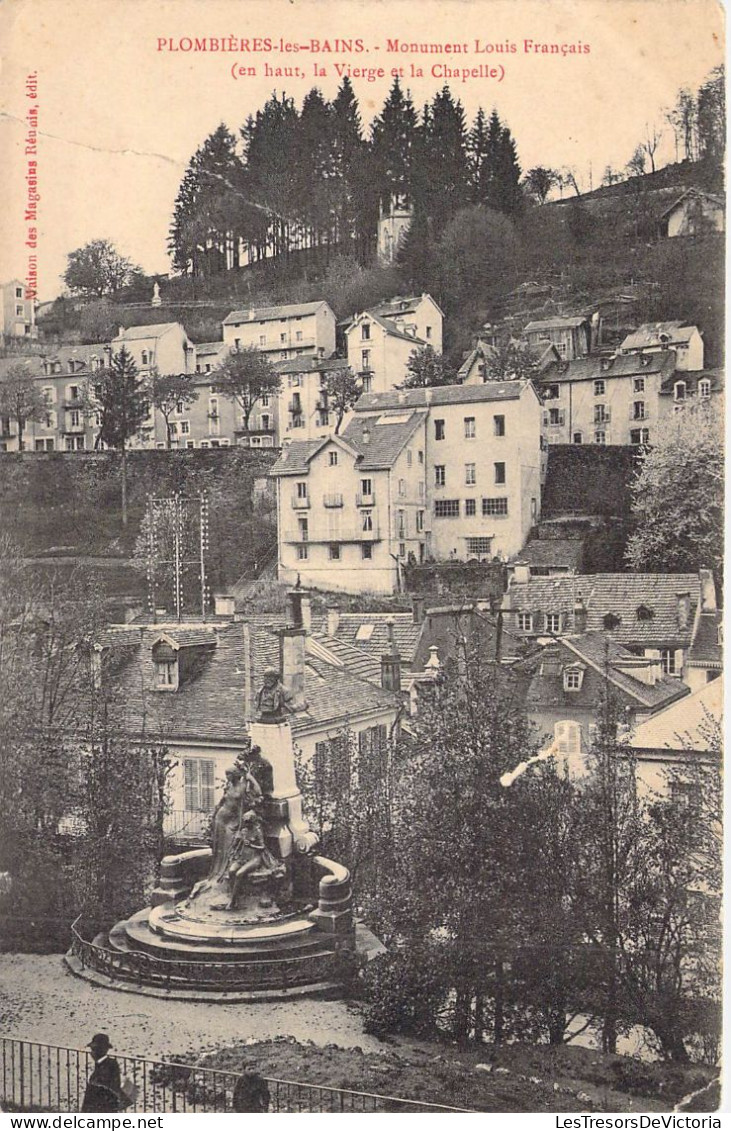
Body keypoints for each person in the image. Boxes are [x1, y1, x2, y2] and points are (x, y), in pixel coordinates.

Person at [81, 1034, 123, 1113]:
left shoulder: (107, 1066)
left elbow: (102, 1091)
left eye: (93, 1049)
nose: (91, 1053)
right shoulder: (103, 1064)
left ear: (99, 1051)